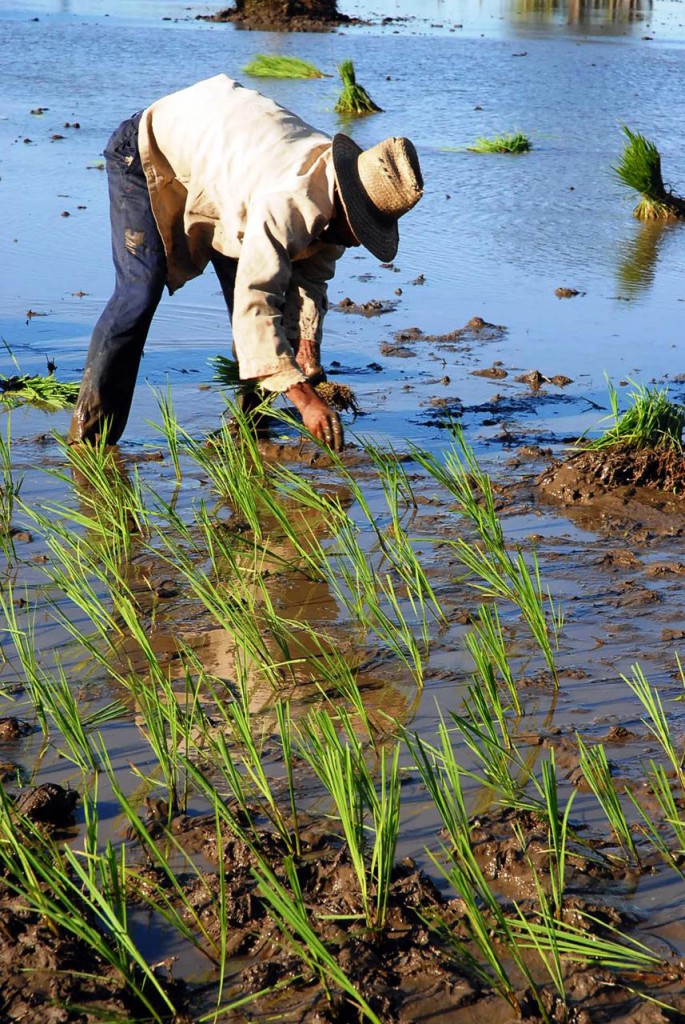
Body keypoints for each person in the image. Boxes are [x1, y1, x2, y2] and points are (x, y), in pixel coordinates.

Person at [68, 74, 424, 451]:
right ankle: (90, 438)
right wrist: (305, 400)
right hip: (148, 149)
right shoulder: (287, 201)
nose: (358, 242)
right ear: (348, 208)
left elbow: (310, 281)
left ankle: (250, 430)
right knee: (140, 291)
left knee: (258, 307)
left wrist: (307, 349)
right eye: (362, 230)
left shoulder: (336, 200)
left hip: (228, 173)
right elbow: (256, 306)